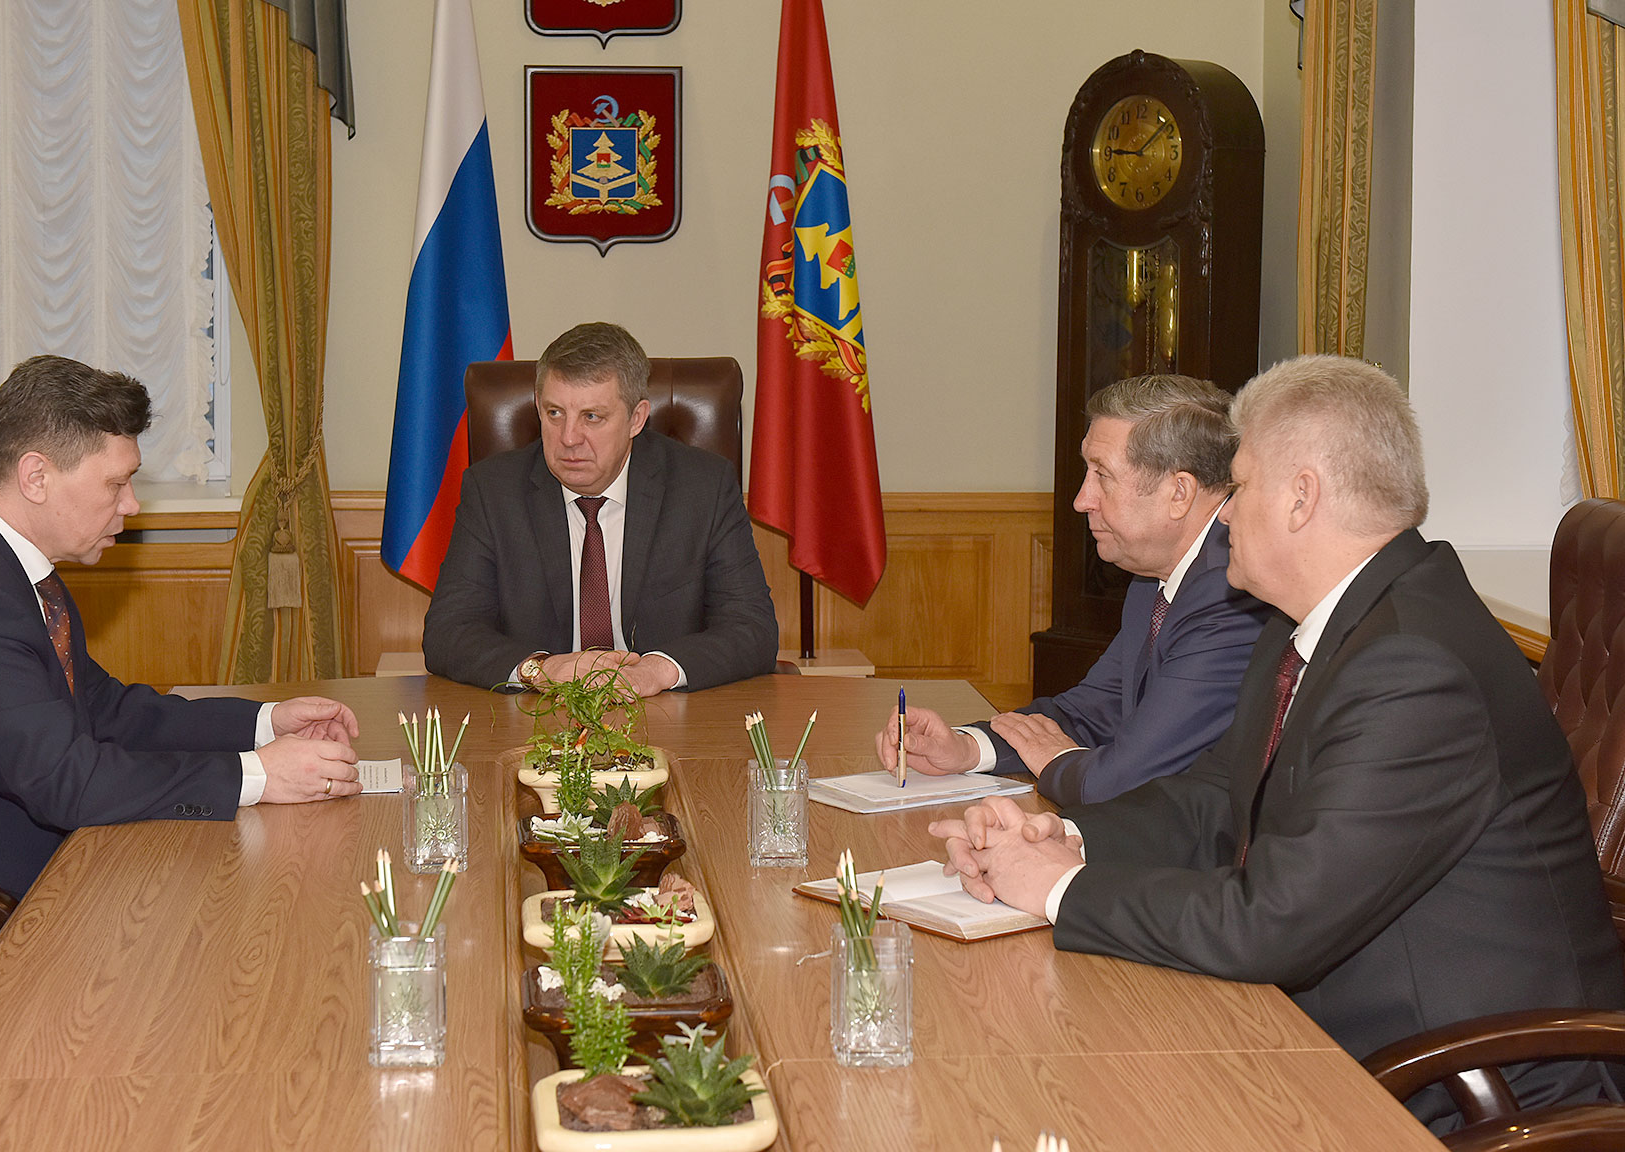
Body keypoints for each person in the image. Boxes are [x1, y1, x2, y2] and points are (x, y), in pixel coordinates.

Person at [933, 355, 1625, 1131]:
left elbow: (1274, 923)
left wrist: (1059, 889)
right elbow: (1212, 800)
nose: (1224, 515)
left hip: (1468, 1090)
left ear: (1302, 497)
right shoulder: (1312, 625)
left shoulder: (1415, 666)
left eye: (1240, 485)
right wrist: (1063, 838)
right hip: (1334, 1036)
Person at [0, 355, 362, 996]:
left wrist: (263, 723)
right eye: (117, 484)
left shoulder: (2, 564)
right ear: (36, 476)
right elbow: (68, 782)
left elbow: (104, 710)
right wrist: (259, 776)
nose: (132, 505)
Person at [876, 375, 1270, 804]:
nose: (1082, 500)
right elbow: (1093, 710)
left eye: (1102, 475)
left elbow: (1123, 778)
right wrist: (967, 748)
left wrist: (1055, 759)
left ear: (1179, 492)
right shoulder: (1154, 576)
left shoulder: (1232, 595)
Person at [422, 322, 778, 695]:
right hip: (537, 715)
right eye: (554, 413)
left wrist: (656, 671)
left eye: (592, 416)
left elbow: (752, 627)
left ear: (636, 419)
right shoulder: (494, 491)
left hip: (665, 712)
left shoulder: (703, 487)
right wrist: (541, 669)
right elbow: (448, 631)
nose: (568, 438)